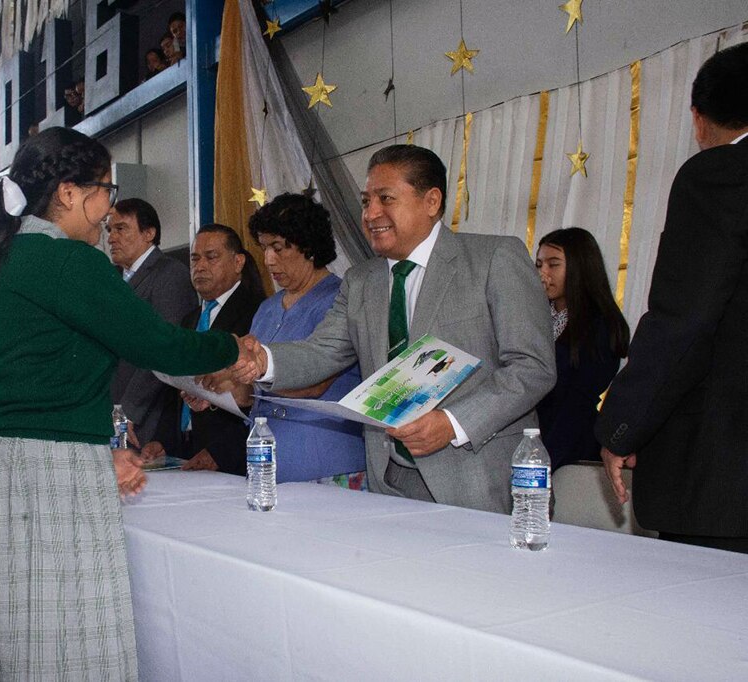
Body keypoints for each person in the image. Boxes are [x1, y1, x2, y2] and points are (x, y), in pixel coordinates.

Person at [0, 127, 248, 680]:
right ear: (67, 192)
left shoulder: (0, 257)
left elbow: (42, 378)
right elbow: (156, 344)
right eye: (105, 189)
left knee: (15, 655)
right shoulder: (66, 260)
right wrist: (235, 345)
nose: (109, 206)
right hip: (50, 479)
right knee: (67, 654)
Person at [232, 144, 555, 513]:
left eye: (385, 198)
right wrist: (264, 360)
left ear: (431, 201)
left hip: (480, 485)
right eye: (366, 201)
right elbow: (322, 352)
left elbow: (533, 367)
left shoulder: (494, 259)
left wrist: (453, 424)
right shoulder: (360, 282)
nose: (370, 214)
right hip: (390, 484)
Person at [596, 43, 748, 553]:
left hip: (726, 479)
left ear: (699, 118)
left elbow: (684, 320)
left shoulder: (721, 175)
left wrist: (623, 425)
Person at [244, 193, 367, 486]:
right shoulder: (266, 308)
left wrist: (243, 374)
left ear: (309, 246)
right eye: (263, 248)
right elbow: (248, 392)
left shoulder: (340, 299)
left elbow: (314, 381)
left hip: (327, 465)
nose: (268, 259)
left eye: (278, 247)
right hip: (269, 468)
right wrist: (214, 388)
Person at [144, 224, 265, 476]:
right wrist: (162, 441)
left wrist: (221, 452)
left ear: (238, 261)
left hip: (229, 458)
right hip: (185, 450)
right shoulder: (190, 319)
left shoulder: (257, 312)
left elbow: (257, 395)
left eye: (211, 257)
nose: (200, 266)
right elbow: (174, 388)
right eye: (195, 258)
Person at [107, 198, 198, 454]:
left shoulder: (170, 275)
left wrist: (128, 412)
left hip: (147, 422)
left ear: (149, 233)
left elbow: (162, 348)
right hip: (114, 417)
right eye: (109, 230)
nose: (112, 238)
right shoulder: (113, 279)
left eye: (121, 229)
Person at [534, 228, 629, 471]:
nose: (543, 273)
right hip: (530, 440)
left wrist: (544, 463)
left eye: (553, 265)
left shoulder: (601, 325)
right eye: (539, 264)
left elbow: (578, 403)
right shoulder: (536, 315)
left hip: (569, 450)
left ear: (581, 268)